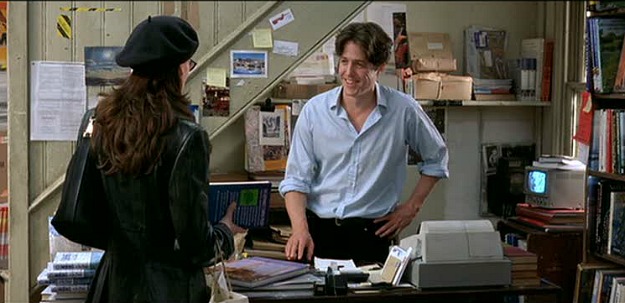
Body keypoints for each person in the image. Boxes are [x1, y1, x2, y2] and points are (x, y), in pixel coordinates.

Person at [83, 15, 244, 302]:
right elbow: (196, 246)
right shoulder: (187, 138)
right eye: (188, 65)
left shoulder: (99, 122)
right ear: (179, 69)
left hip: (112, 285)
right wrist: (225, 232)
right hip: (169, 290)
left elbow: (91, 213)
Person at [279, 22, 449, 265]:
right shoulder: (314, 112)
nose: (348, 72)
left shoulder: (403, 110)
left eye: (359, 64)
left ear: (379, 68)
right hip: (320, 234)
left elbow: (437, 159)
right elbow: (296, 180)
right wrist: (299, 230)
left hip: (374, 236)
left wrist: (411, 208)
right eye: (344, 61)